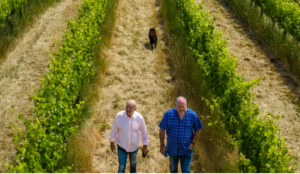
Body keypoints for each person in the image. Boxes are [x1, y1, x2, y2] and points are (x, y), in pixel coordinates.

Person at [159, 96, 203, 173]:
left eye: (183, 106)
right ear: (175, 105)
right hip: (172, 149)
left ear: (186, 104)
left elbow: (198, 129)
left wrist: (192, 143)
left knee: (186, 170)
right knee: (173, 169)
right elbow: (162, 129)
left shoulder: (193, 115)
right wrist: (162, 145)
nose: (181, 109)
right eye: (179, 107)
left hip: (187, 149)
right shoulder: (168, 114)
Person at [110, 100, 149, 173]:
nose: (128, 109)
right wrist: (112, 142)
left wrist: (145, 145)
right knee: (121, 167)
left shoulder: (139, 118)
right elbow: (114, 129)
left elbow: (144, 132)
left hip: (134, 147)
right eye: (127, 106)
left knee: (133, 165)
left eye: (131, 108)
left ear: (135, 109)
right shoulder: (119, 116)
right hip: (121, 146)